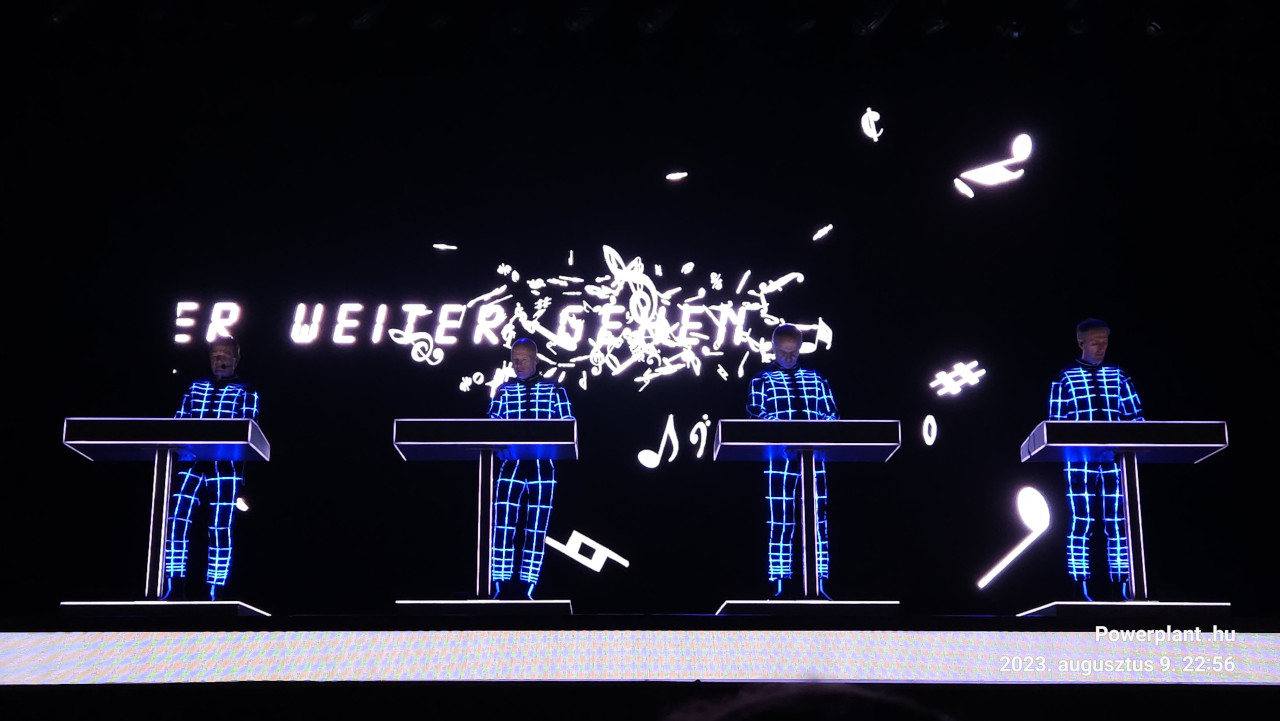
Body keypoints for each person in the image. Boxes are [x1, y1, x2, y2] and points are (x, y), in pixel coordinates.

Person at [1048, 318, 1143, 601]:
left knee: (1118, 523)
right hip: (1079, 462)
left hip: (1117, 461)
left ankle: (1122, 584)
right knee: (1082, 521)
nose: (1101, 347)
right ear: (1081, 343)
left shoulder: (1119, 376)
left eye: (1104, 342)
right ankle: (1080, 586)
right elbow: (1055, 425)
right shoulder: (1064, 378)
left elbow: (1138, 420)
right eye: (1094, 342)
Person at [161, 336, 260, 601]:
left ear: (236, 359)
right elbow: (176, 425)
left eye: (225, 355)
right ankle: (174, 585)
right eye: (215, 355)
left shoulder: (246, 391)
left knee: (220, 527)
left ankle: (217, 590)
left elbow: (249, 431)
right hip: (191, 463)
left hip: (226, 467)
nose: (219, 360)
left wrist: (243, 478)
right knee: (176, 521)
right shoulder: (195, 388)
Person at [747, 324, 840, 599]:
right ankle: (780, 583)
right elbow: (756, 413)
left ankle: (819, 583)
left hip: (815, 460)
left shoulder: (816, 379)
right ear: (773, 349)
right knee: (781, 520)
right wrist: (780, 431)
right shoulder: (762, 380)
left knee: (819, 520)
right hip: (780, 460)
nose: (789, 357)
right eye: (783, 352)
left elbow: (832, 415)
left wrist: (822, 430)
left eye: (794, 352)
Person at [487, 337, 574, 600]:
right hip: (510, 464)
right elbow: (489, 424)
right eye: (514, 360)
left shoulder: (554, 389)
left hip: (542, 466)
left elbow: (568, 423)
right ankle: (500, 585)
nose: (517, 364)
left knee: (536, 527)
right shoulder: (503, 391)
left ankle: (528, 586)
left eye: (523, 359)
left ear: (535, 360)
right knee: (502, 525)